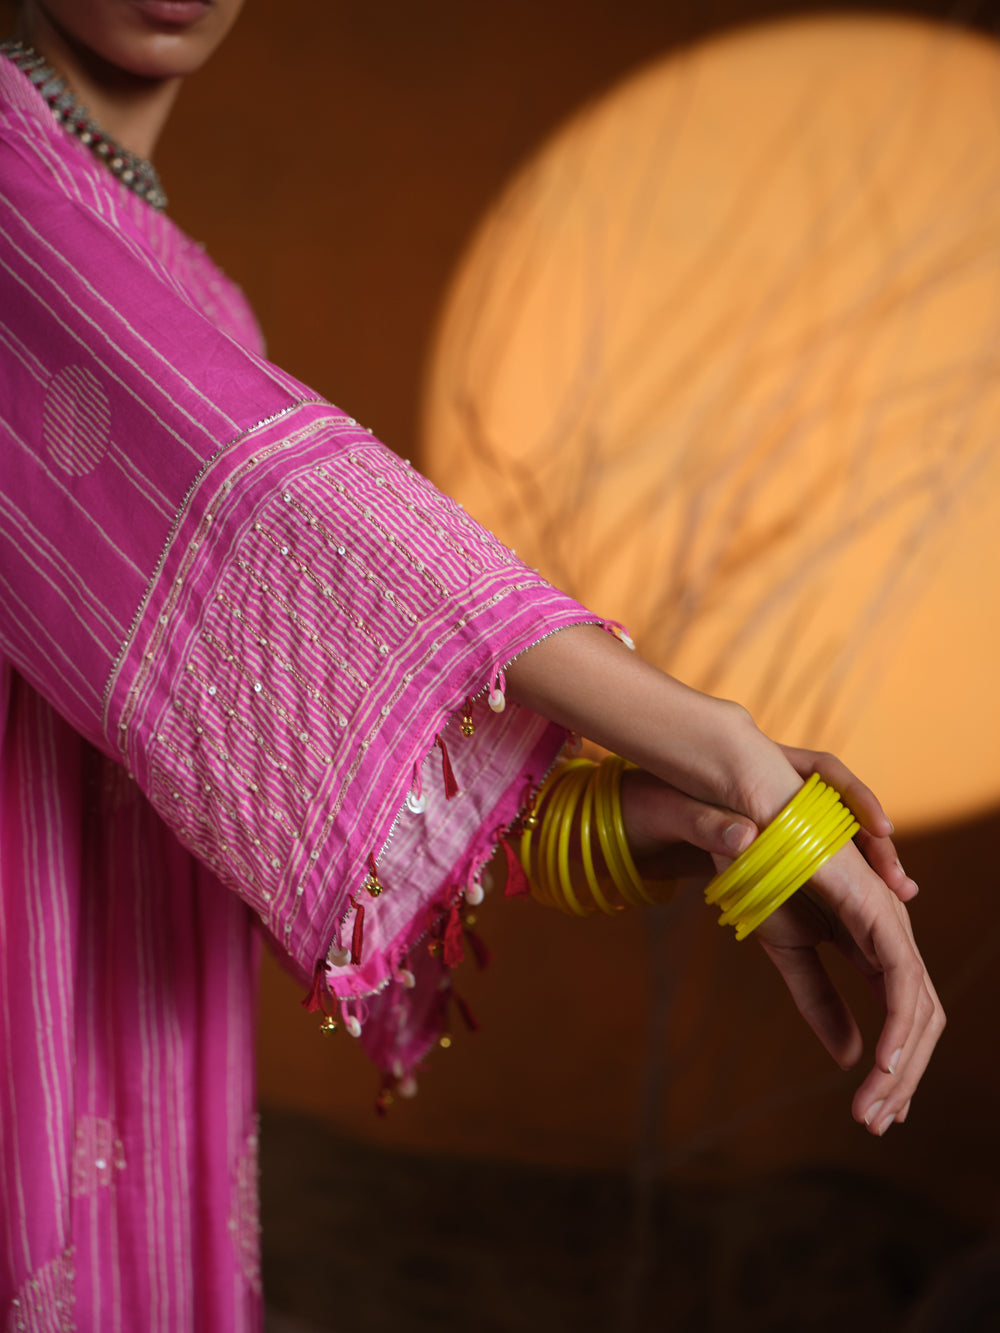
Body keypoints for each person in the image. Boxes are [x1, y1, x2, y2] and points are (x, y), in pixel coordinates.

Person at [0, 1, 944, 1329]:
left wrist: (678, 818)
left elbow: (285, 746)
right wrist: (720, 737)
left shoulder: (205, 299)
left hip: (142, 1065)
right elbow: (268, 507)